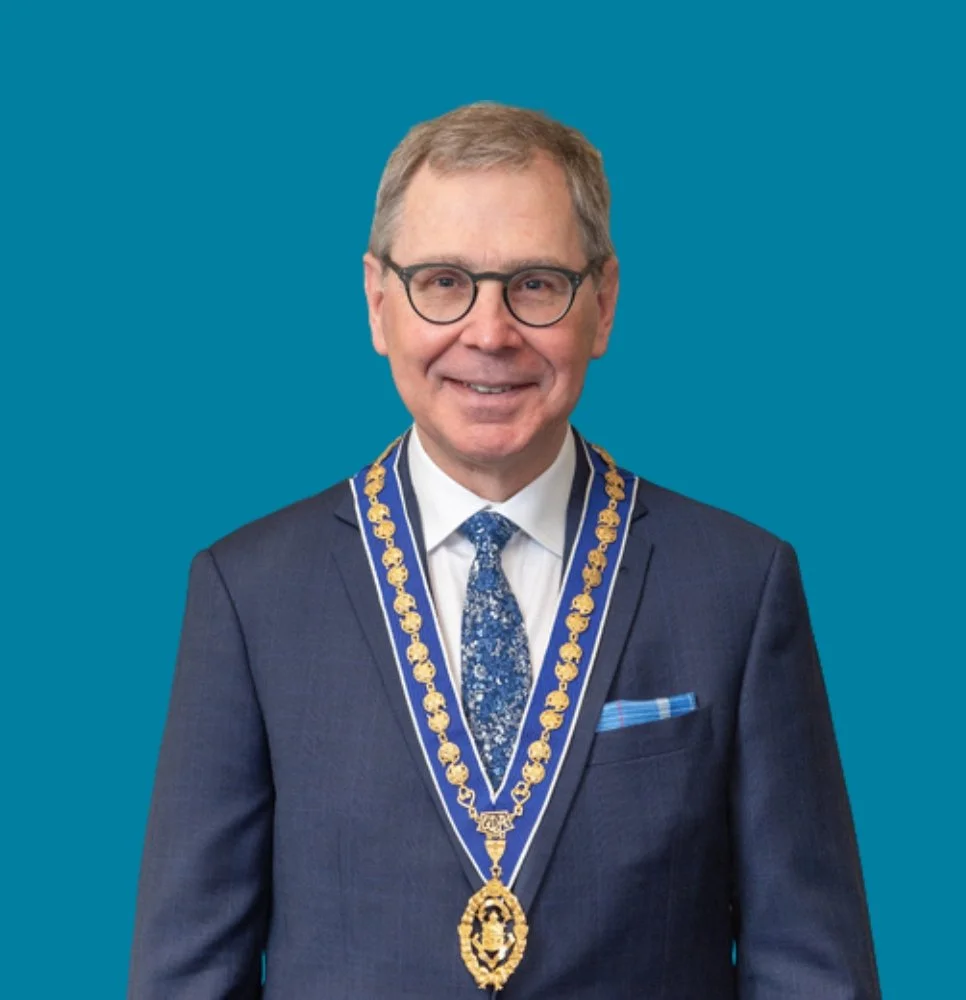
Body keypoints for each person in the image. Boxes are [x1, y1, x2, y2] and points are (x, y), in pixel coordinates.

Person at [128, 102, 881, 999]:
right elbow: (187, 979)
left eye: (534, 283)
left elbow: (812, 973)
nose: (489, 333)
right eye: (443, 282)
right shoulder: (248, 595)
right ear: (378, 303)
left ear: (601, 305)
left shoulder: (738, 586)